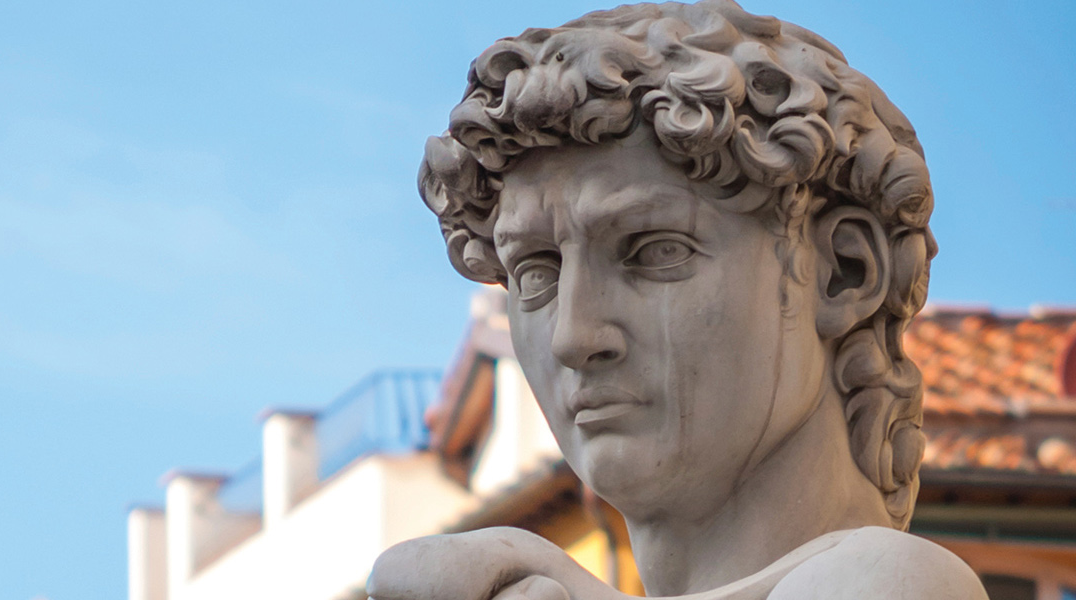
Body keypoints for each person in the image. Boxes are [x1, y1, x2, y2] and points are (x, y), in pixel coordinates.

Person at [370, 1, 985, 599]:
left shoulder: (892, 582)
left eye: (656, 251)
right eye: (536, 272)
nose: (574, 337)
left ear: (844, 272)